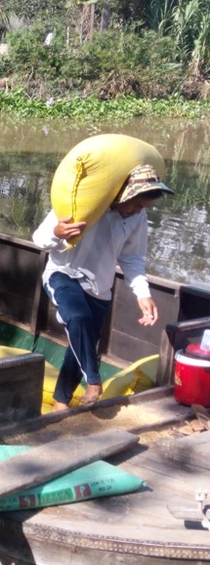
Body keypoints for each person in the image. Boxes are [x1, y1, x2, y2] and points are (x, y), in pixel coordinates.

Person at [32, 164, 174, 410]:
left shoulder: (137, 218)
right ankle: (94, 381)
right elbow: (40, 239)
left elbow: (132, 258)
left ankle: (60, 403)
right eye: (136, 204)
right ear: (123, 194)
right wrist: (57, 233)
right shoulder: (81, 202)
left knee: (81, 344)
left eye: (143, 208)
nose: (137, 211)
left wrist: (143, 293)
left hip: (100, 288)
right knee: (77, 317)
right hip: (63, 274)